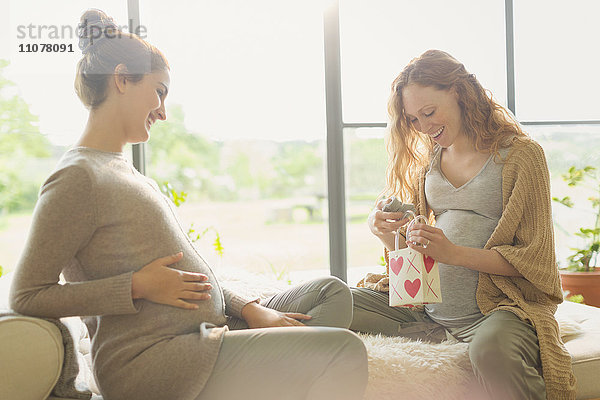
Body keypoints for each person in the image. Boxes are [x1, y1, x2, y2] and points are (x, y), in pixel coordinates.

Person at [9, 9, 368, 400]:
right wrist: (136, 286)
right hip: (154, 361)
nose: (163, 111)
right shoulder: (78, 177)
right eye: (159, 90)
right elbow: (27, 294)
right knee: (343, 351)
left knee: (331, 293)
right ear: (122, 79)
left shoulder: (122, 170)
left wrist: (248, 308)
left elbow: (189, 273)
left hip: (208, 334)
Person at [351, 50, 576, 400]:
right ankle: (250, 318)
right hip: (426, 307)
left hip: (498, 309)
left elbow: (536, 260)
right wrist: (384, 231)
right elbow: (411, 245)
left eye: (429, 113)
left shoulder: (520, 155)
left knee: (490, 352)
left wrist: (454, 254)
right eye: (413, 119)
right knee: (332, 300)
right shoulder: (430, 160)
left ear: (460, 93)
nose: (424, 127)